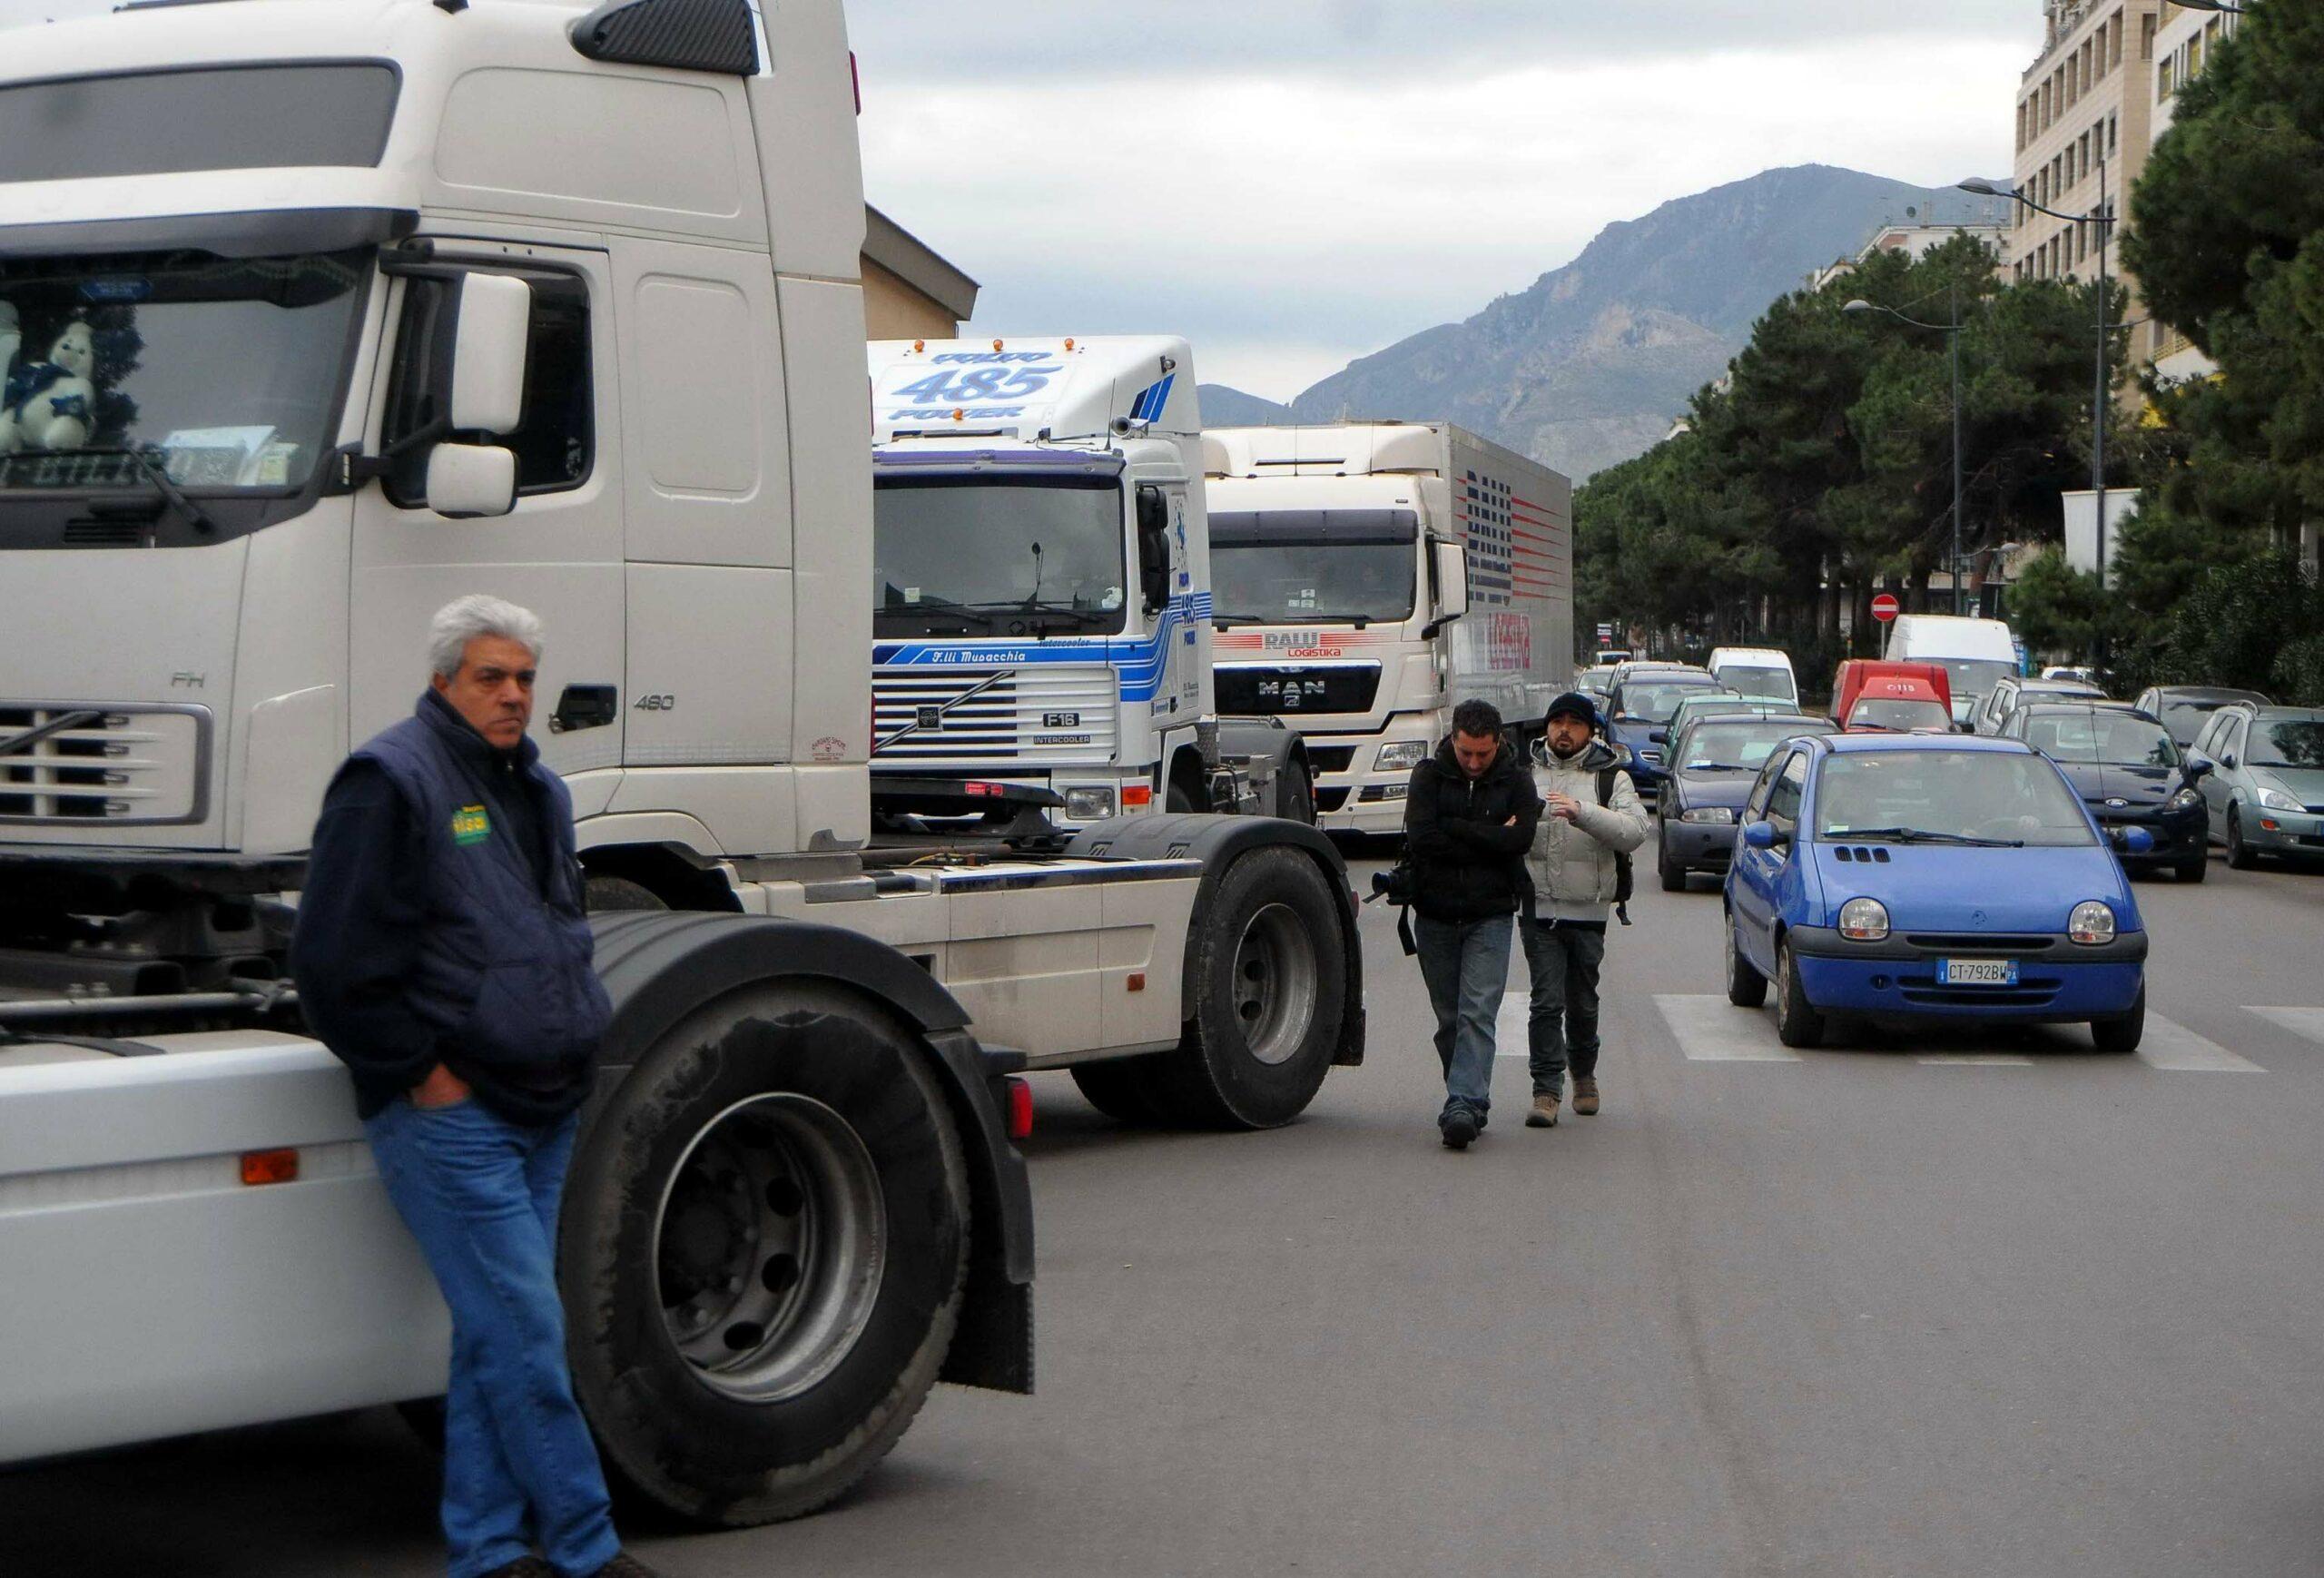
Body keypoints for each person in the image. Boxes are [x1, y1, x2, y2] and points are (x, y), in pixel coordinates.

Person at [291, 596, 667, 1578]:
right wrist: (425, 1074)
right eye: (489, 677)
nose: (511, 695)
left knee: (493, 1340)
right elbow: (333, 964)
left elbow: (547, 930)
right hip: (453, 1116)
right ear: (442, 682)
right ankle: (586, 1546)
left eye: (523, 678)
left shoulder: (537, 788)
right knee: (527, 1334)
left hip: (544, 1099)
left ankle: (489, 1549)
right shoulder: (389, 782)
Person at [1403, 698, 1542, 1149]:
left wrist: (1457, 829)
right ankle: (1464, 1098)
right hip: (1435, 914)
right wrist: (1489, 837)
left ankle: (1464, 1101)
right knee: (1449, 1018)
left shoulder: (1518, 779)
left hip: (1491, 915)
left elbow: (1520, 838)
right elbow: (1422, 839)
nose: (1475, 763)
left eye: (1483, 754)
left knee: (1477, 1013)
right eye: (1467, 754)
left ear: (1498, 743)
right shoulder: (1428, 776)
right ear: (1454, 740)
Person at [1520, 692, 1648, 1128]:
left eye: (1575, 723)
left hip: (1589, 910)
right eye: (1558, 722)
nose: (1564, 731)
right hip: (1537, 908)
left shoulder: (1612, 778)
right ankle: (1545, 1090)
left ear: (1590, 732)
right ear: (1547, 728)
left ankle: (1585, 1076)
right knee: (1545, 1002)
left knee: (1583, 1003)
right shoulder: (1524, 772)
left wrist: (1582, 812)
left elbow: (1634, 831)